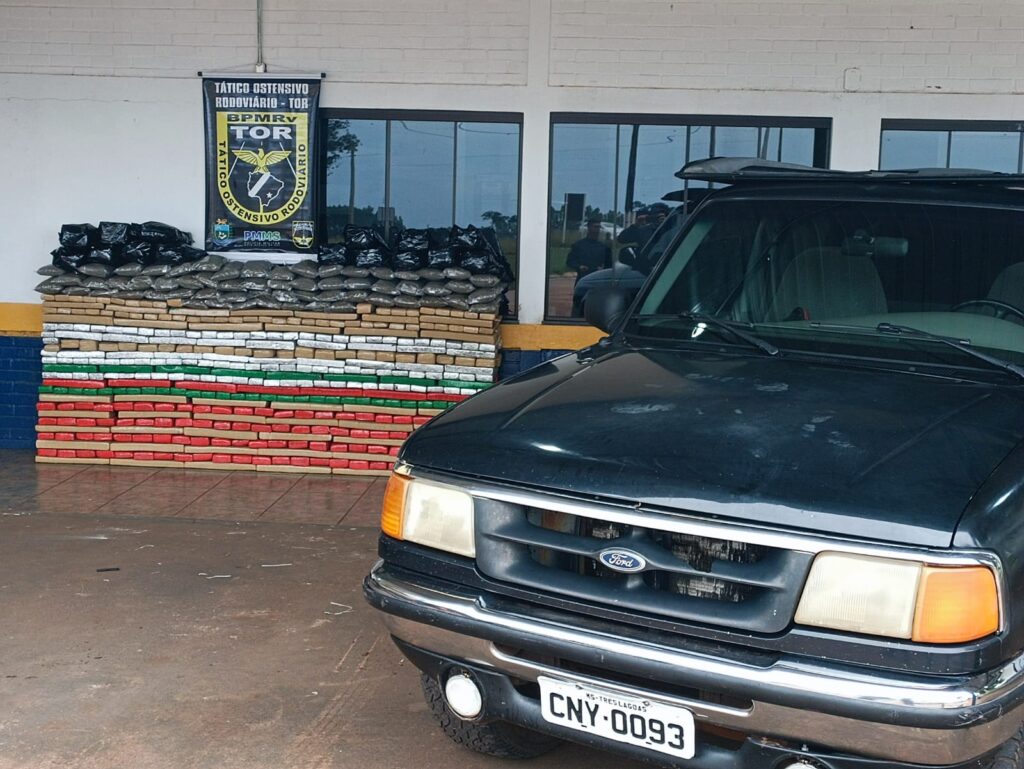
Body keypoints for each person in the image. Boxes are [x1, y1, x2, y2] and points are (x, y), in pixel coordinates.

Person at [566, 218, 612, 283]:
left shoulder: (604, 247)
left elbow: (610, 265)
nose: (597, 230)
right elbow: (570, 261)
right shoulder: (578, 245)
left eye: (599, 227)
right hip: (582, 279)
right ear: (589, 227)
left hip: (598, 281)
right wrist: (579, 267)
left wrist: (603, 269)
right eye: (595, 227)